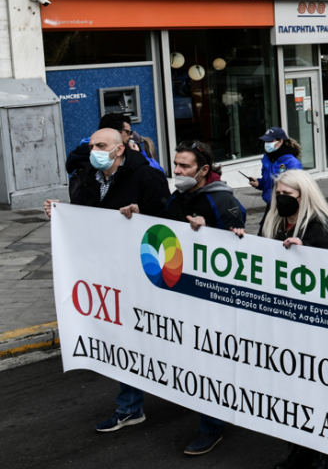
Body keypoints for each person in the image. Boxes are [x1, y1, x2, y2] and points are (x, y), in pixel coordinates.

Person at [47, 126, 170, 437]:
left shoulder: (147, 176)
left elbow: (169, 223)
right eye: (91, 146)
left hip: (143, 273)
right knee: (122, 338)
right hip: (106, 272)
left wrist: (141, 216)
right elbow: (86, 217)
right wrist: (60, 212)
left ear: (120, 149)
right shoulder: (87, 174)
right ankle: (130, 407)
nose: (94, 151)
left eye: (101, 145)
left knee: (158, 337)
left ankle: (186, 390)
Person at [148, 140, 244, 455]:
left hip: (211, 300)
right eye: (175, 165)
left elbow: (238, 248)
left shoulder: (220, 200)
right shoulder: (178, 197)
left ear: (203, 170)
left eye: (185, 166)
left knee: (208, 362)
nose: (177, 171)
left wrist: (211, 235)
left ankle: (211, 427)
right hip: (180, 291)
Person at [261, 170, 328, 469]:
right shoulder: (273, 221)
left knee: (312, 391)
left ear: (303, 196)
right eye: (278, 193)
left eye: (287, 195)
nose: (281, 199)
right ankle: (298, 449)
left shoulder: (319, 226)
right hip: (280, 320)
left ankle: (319, 455)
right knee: (288, 392)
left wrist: (306, 255)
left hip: (312, 325)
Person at [65, 113, 164, 175]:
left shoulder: (80, 156)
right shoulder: (95, 172)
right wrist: (137, 156)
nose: (130, 136)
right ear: (115, 133)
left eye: (101, 146)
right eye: (128, 132)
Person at [249, 127, 304, 215]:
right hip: (271, 205)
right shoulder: (268, 159)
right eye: (266, 141)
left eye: (270, 141)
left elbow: (298, 187)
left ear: (280, 141)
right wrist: (259, 183)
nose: (266, 144)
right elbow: (268, 182)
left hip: (286, 205)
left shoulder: (292, 162)